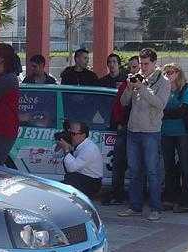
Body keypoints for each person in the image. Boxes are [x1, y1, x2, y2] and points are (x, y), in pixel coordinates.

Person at [117, 48, 172, 221]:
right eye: (141, 64)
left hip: (151, 132)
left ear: (155, 63)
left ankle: (156, 208)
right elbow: (123, 102)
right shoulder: (136, 77)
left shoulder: (163, 81)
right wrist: (128, 87)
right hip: (133, 130)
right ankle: (135, 207)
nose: (143, 67)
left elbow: (160, 104)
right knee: (134, 171)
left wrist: (142, 89)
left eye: (146, 64)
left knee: (152, 171)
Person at [161, 63, 188, 213]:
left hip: (182, 133)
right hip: (166, 132)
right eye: (166, 72)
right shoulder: (163, 89)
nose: (168, 75)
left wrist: (165, 114)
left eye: (171, 72)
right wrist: (167, 112)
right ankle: (170, 197)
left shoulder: (186, 89)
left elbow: (183, 111)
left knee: (185, 166)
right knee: (168, 167)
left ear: (178, 73)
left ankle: (185, 200)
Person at [104, 68, 132, 205]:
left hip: (141, 129)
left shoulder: (149, 84)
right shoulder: (125, 86)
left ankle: (137, 196)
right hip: (123, 128)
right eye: (132, 67)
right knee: (118, 164)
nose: (136, 70)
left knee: (139, 166)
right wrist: (119, 123)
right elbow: (118, 105)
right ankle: (117, 194)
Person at [58, 121, 103, 197]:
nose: (70, 136)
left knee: (67, 182)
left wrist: (66, 149)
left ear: (83, 135)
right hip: (82, 178)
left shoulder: (89, 148)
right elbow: (56, 155)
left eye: (73, 134)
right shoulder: (79, 144)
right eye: (69, 133)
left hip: (91, 183)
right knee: (60, 186)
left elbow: (71, 168)